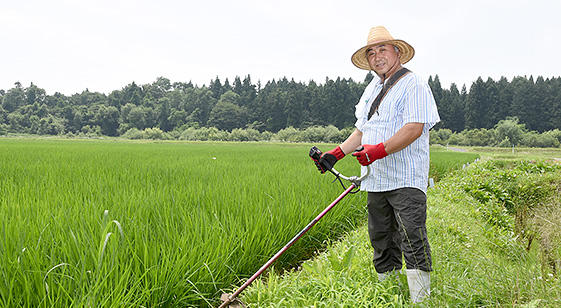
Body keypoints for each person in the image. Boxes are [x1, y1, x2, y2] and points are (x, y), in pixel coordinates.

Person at [316, 26, 440, 303]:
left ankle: (421, 299)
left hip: (405, 177)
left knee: (411, 234)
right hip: (376, 178)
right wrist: (335, 154)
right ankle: (389, 293)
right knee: (381, 237)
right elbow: (362, 131)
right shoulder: (372, 89)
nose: (376, 56)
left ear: (397, 52)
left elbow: (414, 128)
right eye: (371, 52)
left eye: (382, 49)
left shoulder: (414, 84)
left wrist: (379, 150)